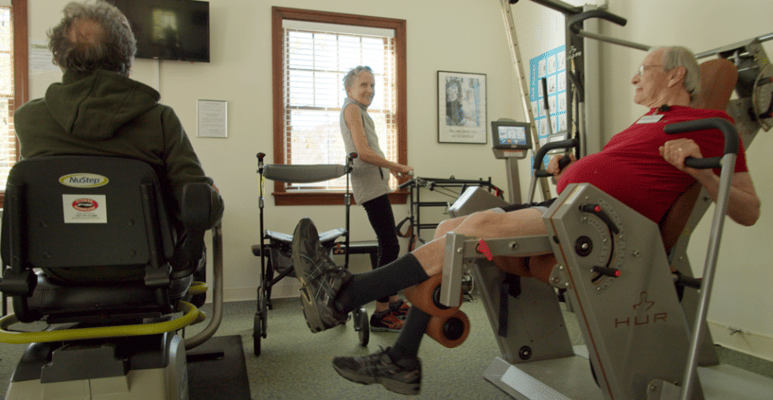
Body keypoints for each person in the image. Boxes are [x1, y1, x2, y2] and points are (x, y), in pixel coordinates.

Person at [292, 46, 760, 395]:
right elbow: (622, 169)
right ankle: (401, 358)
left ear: (676, 74)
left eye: (645, 70)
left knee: (472, 231)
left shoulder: (709, 126)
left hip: (602, 226)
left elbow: (748, 209)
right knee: (452, 227)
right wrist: (573, 167)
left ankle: (347, 293)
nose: (635, 79)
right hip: (571, 206)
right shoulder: (644, 122)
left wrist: (700, 169)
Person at [13, 0, 224, 284]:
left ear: (60, 56)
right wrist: (211, 197)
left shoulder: (28, 119)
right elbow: (202, 211)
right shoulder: (159, 119)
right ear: (126, 58)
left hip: (60, 270)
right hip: (148, 273)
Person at [339, 66, 414, 332]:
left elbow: (369, 150)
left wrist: (390, 170)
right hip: (369, 186)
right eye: (364, 85)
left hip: (375, 184)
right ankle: (380, 312)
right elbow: (363, 152)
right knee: (390, 245)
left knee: (388, 243)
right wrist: (396, 165)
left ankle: (393, 301)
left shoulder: (358, 110)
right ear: (349, 89)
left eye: (372, 85)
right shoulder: (351, 109)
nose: (370, 90)